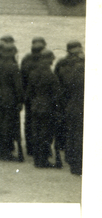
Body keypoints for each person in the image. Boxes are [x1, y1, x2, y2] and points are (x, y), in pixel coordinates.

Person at [0, 40, 24, 162]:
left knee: (1, 124)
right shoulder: (13, 66)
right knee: (8, 125)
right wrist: (20, 100)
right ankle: (6, 152)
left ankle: (2, 150)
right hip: (10, 97)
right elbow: (18, 86)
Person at [54, 41, 84, 175]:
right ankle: (75, 160)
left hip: (64, 100)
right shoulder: (80, 68)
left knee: (68, 129)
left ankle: (68, 156)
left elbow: (56, 80)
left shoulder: (61, 63)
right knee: (77, 133)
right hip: (75, 102)